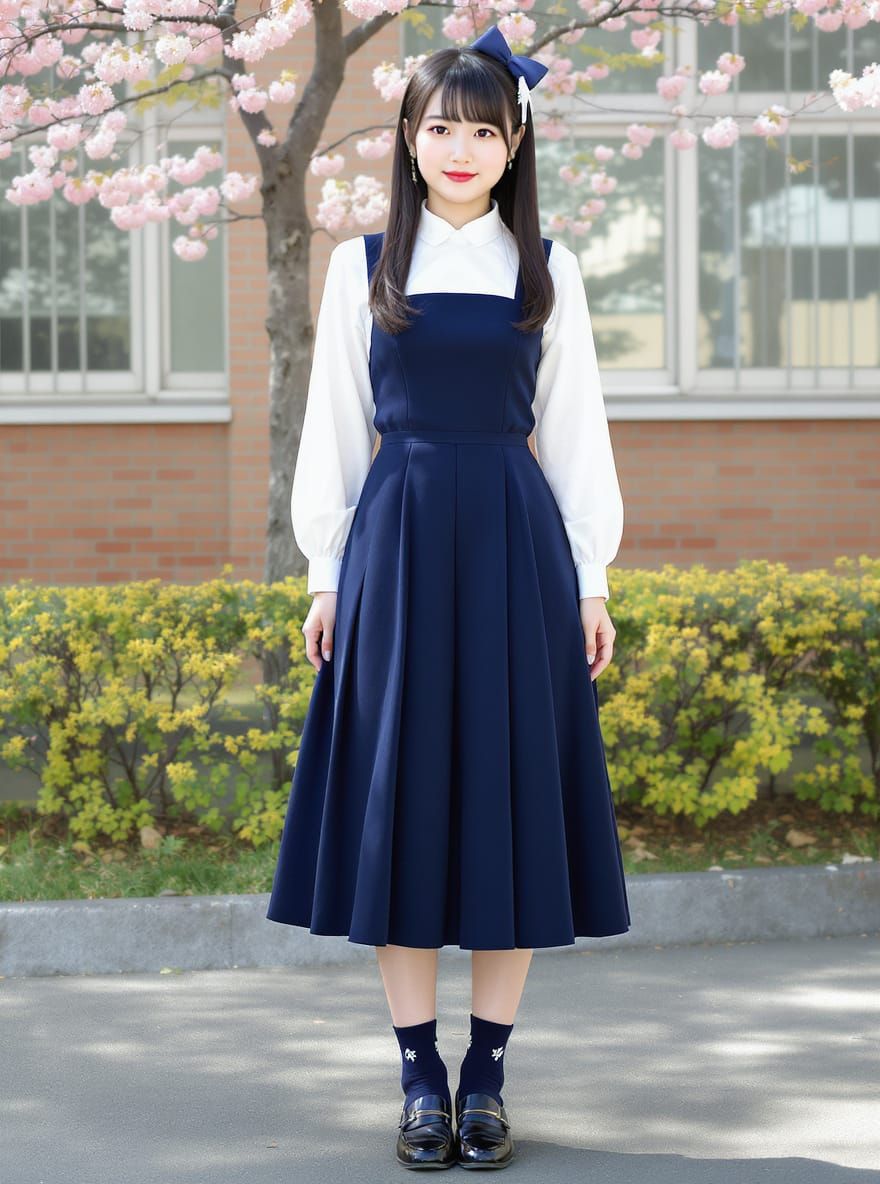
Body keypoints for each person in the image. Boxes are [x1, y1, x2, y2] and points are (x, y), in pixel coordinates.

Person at [266, 22, 631, 1171]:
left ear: (515, 142)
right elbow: (331, 433)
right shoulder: (359, 265)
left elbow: (574, 437)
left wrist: (590, 578)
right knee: (404, 804)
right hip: (400, 546)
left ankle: (488, 1074)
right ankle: (418, 1072)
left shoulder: (548, 269)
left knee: (508, 805)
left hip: (517, 549)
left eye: (483, 128)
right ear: (409, 141)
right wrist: (326, 568)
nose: (460, 147)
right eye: (439, 127)